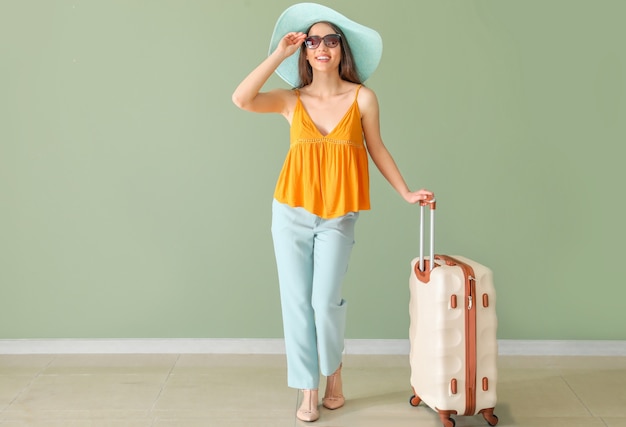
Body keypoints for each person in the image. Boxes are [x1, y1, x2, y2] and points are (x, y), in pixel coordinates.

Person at [232, 3, 434, 422]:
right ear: (304, 51)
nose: (321, 47)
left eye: (330, 40)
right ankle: (309, 390)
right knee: (296, 303)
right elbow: (241, 98)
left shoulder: (362, 98)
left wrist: (406, 192)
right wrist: (278, 54)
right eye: (312, 41)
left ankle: (334, 373)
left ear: (342, 50)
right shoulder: (291, 101)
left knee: (324, 302)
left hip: (338, 215)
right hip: (290, 212)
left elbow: (376, 148)